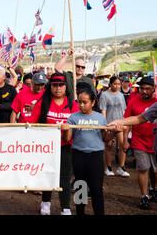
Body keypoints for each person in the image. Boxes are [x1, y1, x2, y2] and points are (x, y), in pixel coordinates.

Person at [29, 73, 79, 215]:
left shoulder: (72, 104)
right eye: (54, 85)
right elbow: (32, 124)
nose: (58, 88)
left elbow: (77, 125)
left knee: (65, 176)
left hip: (66, 146)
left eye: (61, 85)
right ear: (50, 86)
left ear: (65, 87)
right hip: (47, 147)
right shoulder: (42, 103)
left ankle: (65, 207)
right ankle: (45, 202)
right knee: (47, 174)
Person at [63, 88, 119, 215]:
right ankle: (80, 213)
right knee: (80, 186)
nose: (81, 105)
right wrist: (66, 129)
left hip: (96, 156)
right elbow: (67, 139)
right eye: (80, 102)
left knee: (96, 189)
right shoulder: (73, 118)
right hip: (79, 155)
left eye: (85, 102)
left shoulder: (100, 118)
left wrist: (114, 132)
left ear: (93, 102)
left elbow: (105, 139)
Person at [122, 77, 157, 209]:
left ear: (153, 89)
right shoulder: (133, 101)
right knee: (143, 168)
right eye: (142, 88)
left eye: (148, 89)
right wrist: (125, 141)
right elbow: (127, 122)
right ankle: (144, 196)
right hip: (139, 141)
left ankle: (154, 188)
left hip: (154, 141)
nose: (144, 91)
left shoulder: (156, 102)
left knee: (155, 170)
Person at [99, 76, 130, 177]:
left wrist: (125, 123)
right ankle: (108, 167)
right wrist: (105, 125)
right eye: (115, 84)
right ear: (110, 84)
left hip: (120, 124)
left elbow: (124, 110)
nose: (117, 86)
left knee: (122, 146)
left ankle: (121, 167)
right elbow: (103, 110)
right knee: (108, 146)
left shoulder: (121, 95)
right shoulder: (104, 95)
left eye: (118, 84)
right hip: (110, 124)